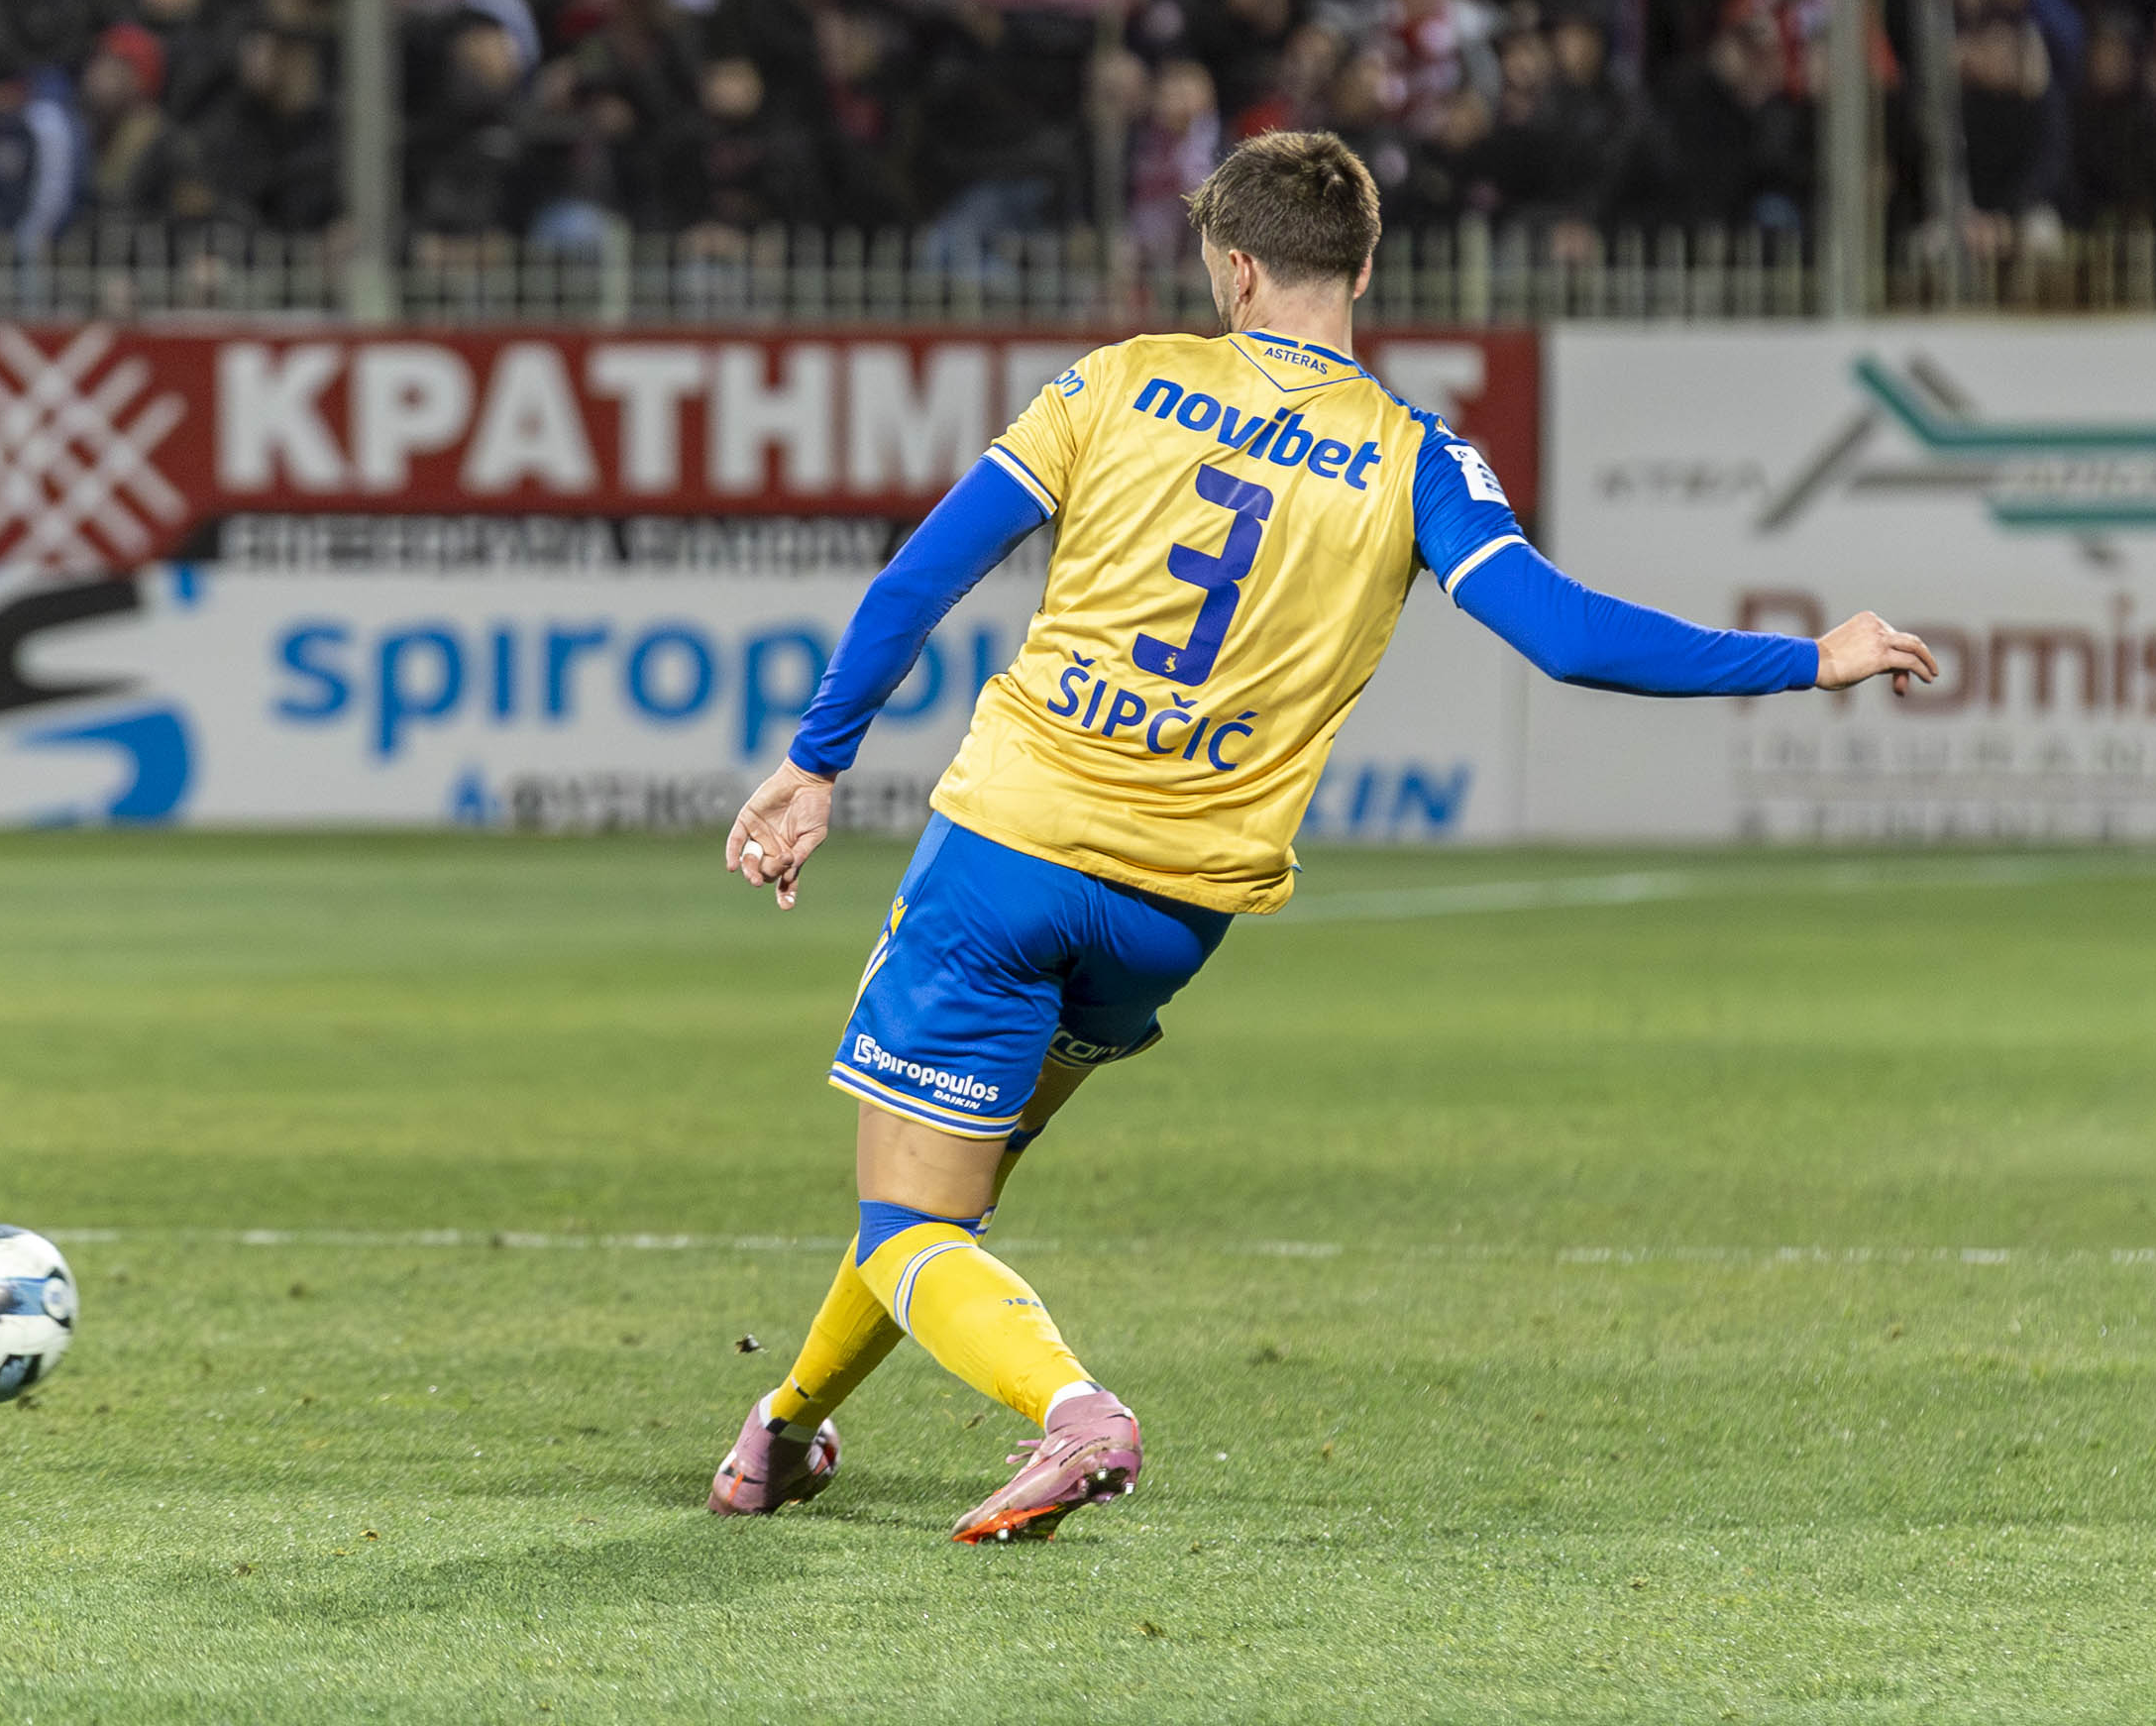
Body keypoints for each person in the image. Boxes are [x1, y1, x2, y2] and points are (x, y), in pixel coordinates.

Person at [709, 131, 1937, 1542]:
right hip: (1171, 913)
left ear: (1234, 269)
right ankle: (779, 1433)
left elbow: (921, 578)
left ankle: (1076, 1413)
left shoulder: (1116, 382)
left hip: (1008, 854)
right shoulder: (1421, 459)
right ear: (1362, 268)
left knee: (911, 1221)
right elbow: (1567, 637)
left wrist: (816, 763)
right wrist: (1808, 657)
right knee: (947, 1194)